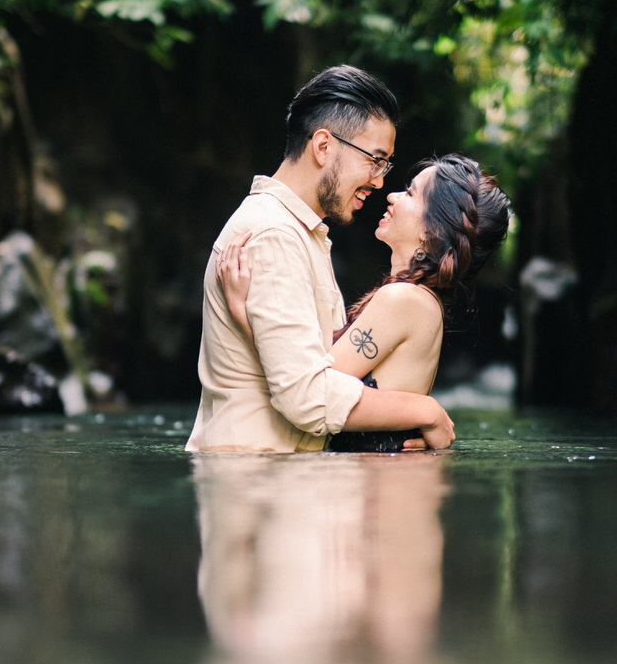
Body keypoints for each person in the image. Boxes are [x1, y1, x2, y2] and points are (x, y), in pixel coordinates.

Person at [185, 65, 455, 453]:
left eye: (386, 166)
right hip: (256, 482)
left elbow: (304, 367)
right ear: (323, 146)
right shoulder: (275, 236)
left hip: (274, 480)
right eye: (374, 160)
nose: (380, 182)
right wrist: (425, 411)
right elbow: (307, 397)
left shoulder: (301, 232)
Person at [218, 153, 511, 452]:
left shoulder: (403, 299)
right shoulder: (418, 299)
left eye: (410, 193)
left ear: (430, 231)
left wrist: (245, 315)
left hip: (377, 490)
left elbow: (308, 390)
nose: (393, 196)